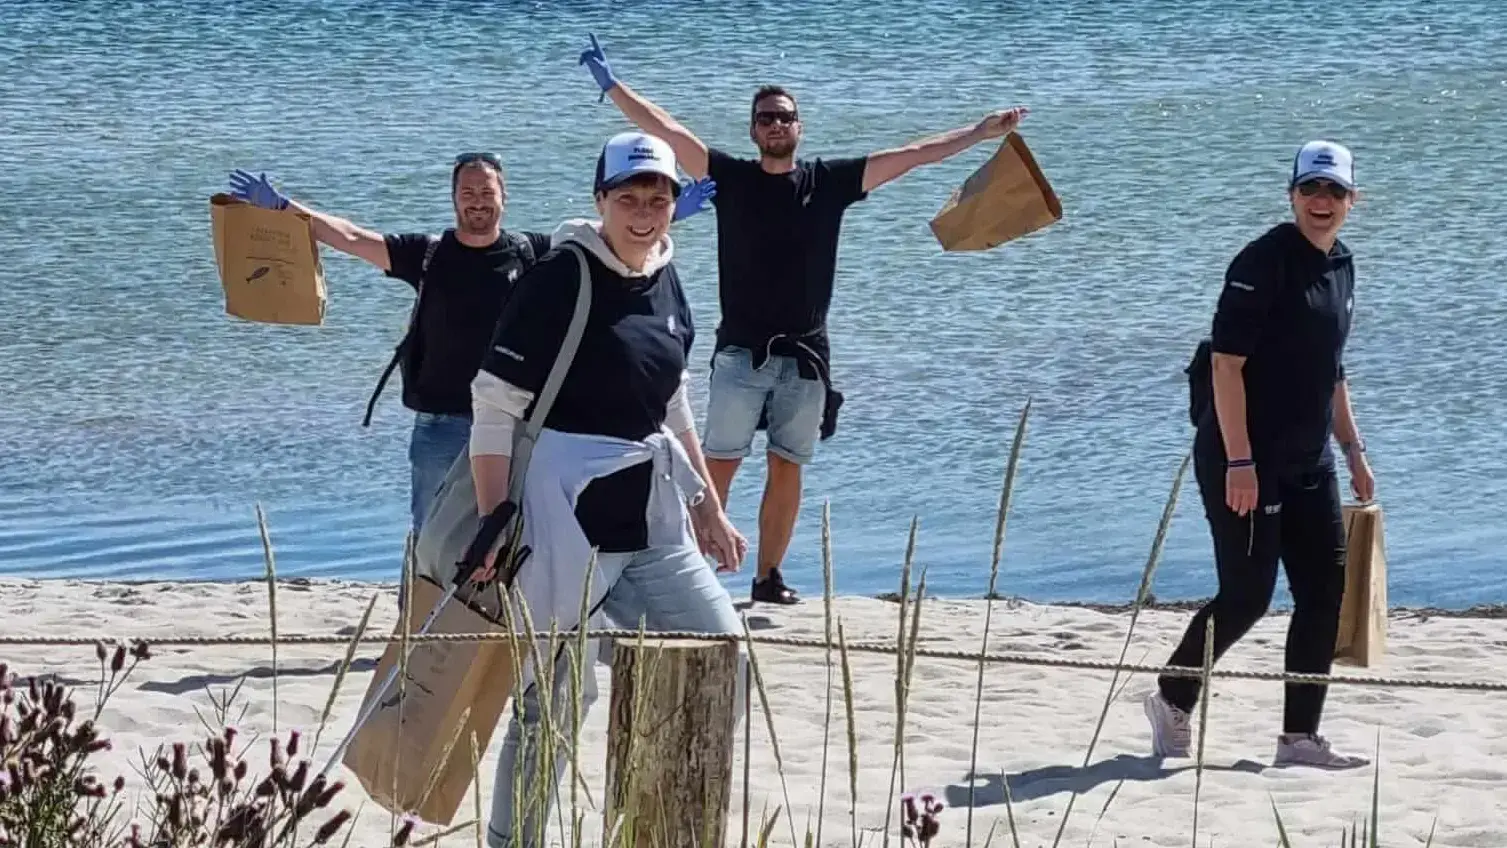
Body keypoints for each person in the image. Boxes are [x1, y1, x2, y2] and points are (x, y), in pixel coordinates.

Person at [577, 32, 1028, 604]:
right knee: (717, 464)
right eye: (765, 117)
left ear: (799, 126)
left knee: (787, 467)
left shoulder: (828, 182)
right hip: (741, 352)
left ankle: (767, 579)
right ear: (752, 129)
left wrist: (980, 132)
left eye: (784, 117)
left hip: (808, 356)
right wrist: (613, 86)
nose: (774, 125)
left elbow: (912, 156)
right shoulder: (732, 179)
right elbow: (666, 131)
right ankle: (686, 572)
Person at [225, 155, 715, 596]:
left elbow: (608, 240)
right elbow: (351, 238)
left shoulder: (533, 253)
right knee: (433, 536)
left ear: (503, 197)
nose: (478, 201)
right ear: (454, 198)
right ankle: (419, 629)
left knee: (512, 536)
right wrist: (286, 208)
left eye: (487, 192)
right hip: (441, 425)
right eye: (468, 192)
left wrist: (673, 214)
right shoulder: (429, 255)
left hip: (515, 430)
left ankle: (494, 623)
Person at [466, 129, 746, 848]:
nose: (644, 211)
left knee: (720, 653)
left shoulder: (667, 274)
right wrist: (494, 517)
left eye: (658, 197)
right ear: (600, 201)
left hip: (651, 522)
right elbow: (493, 405)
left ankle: (650, 827)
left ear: (675, 203)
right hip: (564, 522)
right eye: (629, 197)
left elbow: (673, 403)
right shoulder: (561, 277)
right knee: (551, 703)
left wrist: (707, 508)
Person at [1145, 140, 1376, 770]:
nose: (1321, 203)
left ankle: (1300, 738)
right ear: (1292, 195)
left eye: (1334, 192)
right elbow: (1226, 364)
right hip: (1242, 456)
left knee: (1324, 595)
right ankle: (1171, 697)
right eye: (1311, 191)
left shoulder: (1342, 265)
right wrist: (1241, 463)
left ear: (1353, 200)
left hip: (1310, 459)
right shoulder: (1262, 262)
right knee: (1247, 595)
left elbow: (1332, 370)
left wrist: (1352, 448)